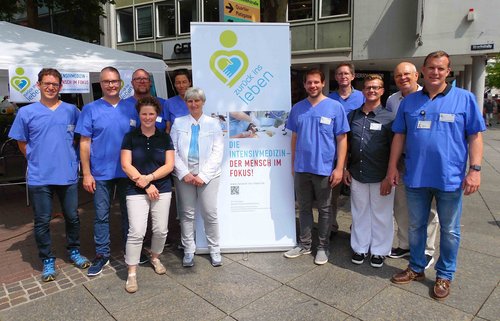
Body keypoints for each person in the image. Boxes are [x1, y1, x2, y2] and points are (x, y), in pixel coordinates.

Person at [387, 51, 485, 301]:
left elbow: (475, 136)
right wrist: (391, 168)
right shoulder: (410, 102)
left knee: (450, 230)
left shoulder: (465, 99)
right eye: (431, 68)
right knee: (416, 226)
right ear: (423, 70)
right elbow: (399, 136)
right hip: (415, 176)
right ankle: (417, 267)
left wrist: (475, 170)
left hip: (449, 178)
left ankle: (445, 274)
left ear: (448, 71)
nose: (436, 72)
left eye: (441, 69)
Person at [8, 68, 90, 281]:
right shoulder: (26, 113)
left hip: (67, 174)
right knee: (42, 221)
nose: (51, 87)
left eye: (55, 84)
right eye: (47, 83)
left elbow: (81, 138)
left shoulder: (72, 110)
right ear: (38, 85)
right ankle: (47, 259)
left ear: (61, 87)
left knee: (72, 217)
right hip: (39, 176)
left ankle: (73, 251)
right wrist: (36, 159)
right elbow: (21, 142)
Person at [76, 66, 139, 277]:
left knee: (130, 215)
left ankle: (133, 250)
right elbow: (84, 142)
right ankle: (102, 254)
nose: (111, 85)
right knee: (101, 216)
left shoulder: (132, 107)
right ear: (100, 84)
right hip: (101, 173)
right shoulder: (91, 109)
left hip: (128, 172)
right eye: (106, 81)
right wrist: (86, 173)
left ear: (121, 83)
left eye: (114, 81)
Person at [284, 69, 349, 265]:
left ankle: (322, 246)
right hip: (302, 168)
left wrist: (340, 168)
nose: (312, 86)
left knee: (325, 209)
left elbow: (342, 139)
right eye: (309, 83)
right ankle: (304, 245)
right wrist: (294, 163)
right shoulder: (298, 108)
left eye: (316, 82)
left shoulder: (335, 107)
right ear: (304, 85)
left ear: (322, 84)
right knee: (303, 208)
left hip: (324, 168)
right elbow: (294, 138)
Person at [386, 62, 439, 269]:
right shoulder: (392, 100)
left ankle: (426, 250)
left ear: (417, 75)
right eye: (398, 75)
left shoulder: (429, 96)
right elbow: (395, 132)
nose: (403, 78)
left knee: (429, 208)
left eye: (407, 74)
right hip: (402, 159)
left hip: (426, 161)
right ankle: (405, 244)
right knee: (400, 204)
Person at [121, 97, 175, 293]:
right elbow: (126, 164)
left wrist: (150, 178)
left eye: (151, 113)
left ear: (157, 115)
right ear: (139, 114)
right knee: (136, 231)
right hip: (136, 189)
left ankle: (154, 257)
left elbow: (169, 165)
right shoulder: (130, 137)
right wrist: (145, 184)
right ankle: (132, 272)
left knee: (161, 230)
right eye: (144, 113)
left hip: (162, 187)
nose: (147, 117)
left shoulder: (165, 138)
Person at [344, 74, 394, 268]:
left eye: (376, 87)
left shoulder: (390, 118)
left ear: (382, 91)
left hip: (381, 174)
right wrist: (346, 167)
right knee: (359, 212)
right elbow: (346, 144)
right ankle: (360, 247)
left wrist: (391, 175)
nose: (372, 90)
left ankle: (380, 251)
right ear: (363, 91)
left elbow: (395, 148)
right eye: (368, 87)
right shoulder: (353, 115)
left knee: (382, 214)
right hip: (357, 172)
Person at [170, 87, 224, 267]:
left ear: (203, 102)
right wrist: (184, 173)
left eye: (197, 101)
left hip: (208, 176)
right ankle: (188, 250)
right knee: (186, 214)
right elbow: (173, 151)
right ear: (186, 103)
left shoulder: (213, 123)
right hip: (184, 176)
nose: (193, 104)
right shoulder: (178, 123)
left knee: (210, 213)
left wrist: (203, 175)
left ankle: (215, 249)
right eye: (190, 101)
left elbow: (218, 151)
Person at [328, 63, 365, 235]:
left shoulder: (363, 97)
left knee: (359, 195)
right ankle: (331, 227)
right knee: (332, 194)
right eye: (339, 73)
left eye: (346, 73)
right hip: (335, 152)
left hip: (359, 151)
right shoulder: (328, 99)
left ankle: (357, 229)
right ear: (336, 77)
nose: (343, 76)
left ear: (352, 76)